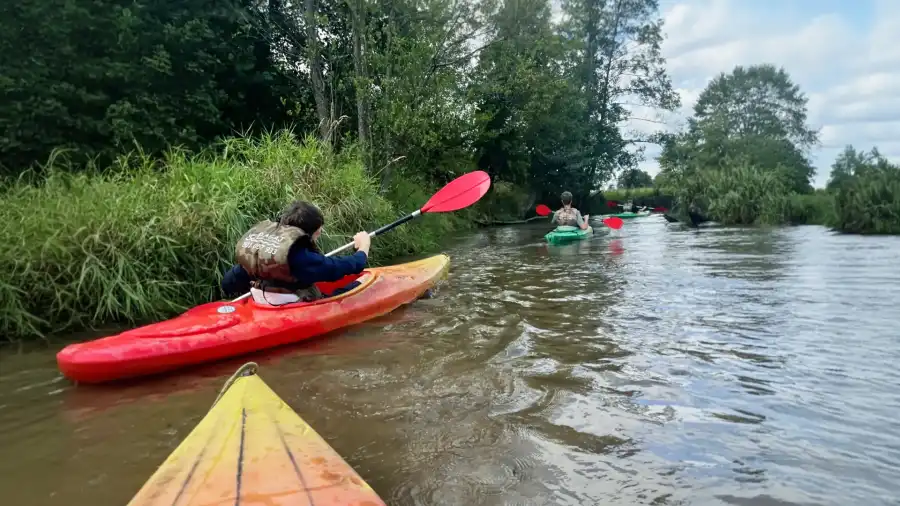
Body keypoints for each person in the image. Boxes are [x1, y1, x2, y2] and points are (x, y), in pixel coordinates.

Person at [221, 200, 370, 305]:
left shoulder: (262, 253)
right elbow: (343, 266)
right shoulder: (301, 258)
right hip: (292, 305)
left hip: (261, 301)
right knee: (361, 283)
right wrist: (363, 246)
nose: (319, 233)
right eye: (318, 231)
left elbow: (228, 283)